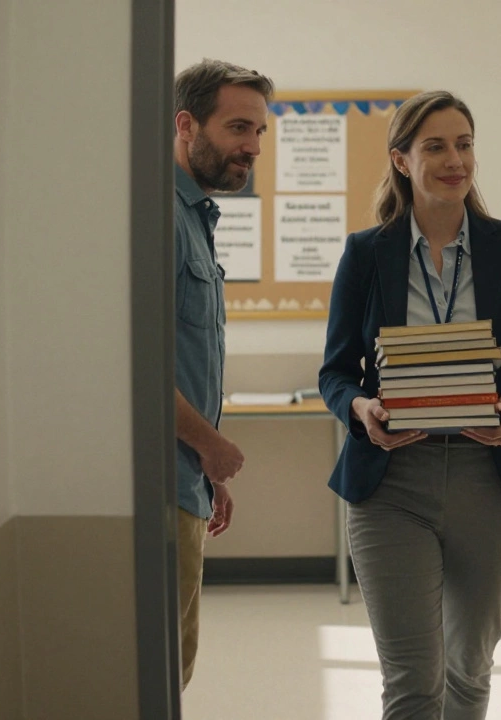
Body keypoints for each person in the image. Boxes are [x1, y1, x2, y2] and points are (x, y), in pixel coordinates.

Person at [319, 90, 501, 720]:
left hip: (493, 480)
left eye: (464, 143)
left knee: (469, 670)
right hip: (391, 483)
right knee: (411, 680)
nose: (455, 159)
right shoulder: (365, 254)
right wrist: (359, 410)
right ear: (402, 160)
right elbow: (336, 373)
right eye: (435, 146)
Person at [171, 59, 274, 690]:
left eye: (260, 132)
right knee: (163, 672)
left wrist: (206, 469)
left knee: (175, 666)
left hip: (184, 480)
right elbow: (137, 365)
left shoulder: (196, 217)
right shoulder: (159, 218)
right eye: (239, 128)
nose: (251, 147)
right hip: (161, 484)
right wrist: (209, 445)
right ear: (186, 124)